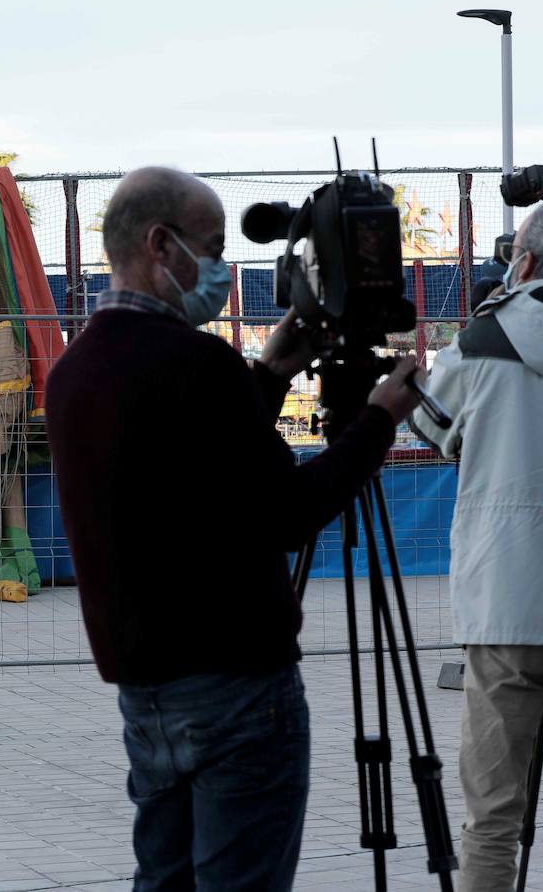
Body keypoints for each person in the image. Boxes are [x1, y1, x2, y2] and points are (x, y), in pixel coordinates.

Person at [43, 167, 425, 891]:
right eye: (212, 249)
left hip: (146, 691)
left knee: (166, 879)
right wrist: (378, 420)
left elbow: (185, 462)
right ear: (162, 245)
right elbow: (285, 511)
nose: (220, 272)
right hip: (239, 689)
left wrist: (272, 372)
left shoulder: (75, 371)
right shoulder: (198, 365)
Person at [410, 201, 543, 892]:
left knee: (494, 817)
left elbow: (424, 421)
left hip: (505, 604)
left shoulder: (478, 343)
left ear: (523, 262)